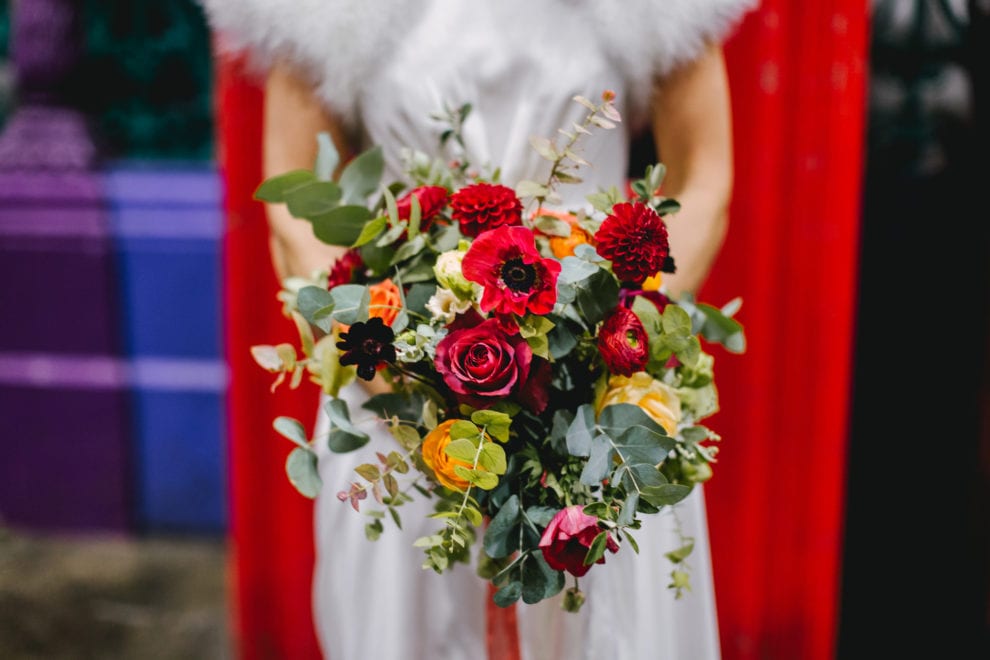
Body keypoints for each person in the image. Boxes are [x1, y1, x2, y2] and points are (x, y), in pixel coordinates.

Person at [201, 1, 758, 658]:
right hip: (398, 414)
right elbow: (294, 208)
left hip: (600, 409)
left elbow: (706, 178)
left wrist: (609, 338)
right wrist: (404, 368)